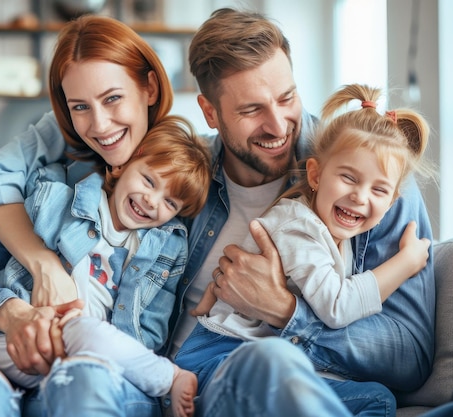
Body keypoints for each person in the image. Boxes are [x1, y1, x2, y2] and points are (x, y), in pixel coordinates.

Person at [161, 8, 436, 417]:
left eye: (287, 98)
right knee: (271, 363)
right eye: (251, 110)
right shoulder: (179, 173)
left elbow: (409, 356)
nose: (278, 125)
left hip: (304, 383)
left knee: (380, 400)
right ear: (210, 112)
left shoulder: (378, 175)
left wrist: (283, 309)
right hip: (209, 379)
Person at [0, 14, 181, 417]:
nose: (100, 125)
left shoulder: (189, 186)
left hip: (105, 374)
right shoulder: (49, 187)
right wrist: (17, 311)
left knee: (83, 389)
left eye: (113, 98)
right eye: (80, 107)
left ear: (150, 87)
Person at [0, 116, 208, 417]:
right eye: (149, 181)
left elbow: (150, 331)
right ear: (121, 165)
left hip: (78, 353)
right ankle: (169, 377)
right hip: (10, 338)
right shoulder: (62, 195)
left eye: (171, 203)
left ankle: (168, 377)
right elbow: (2, 188)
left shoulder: (165, 248)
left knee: (87, 333)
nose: (152, 201)